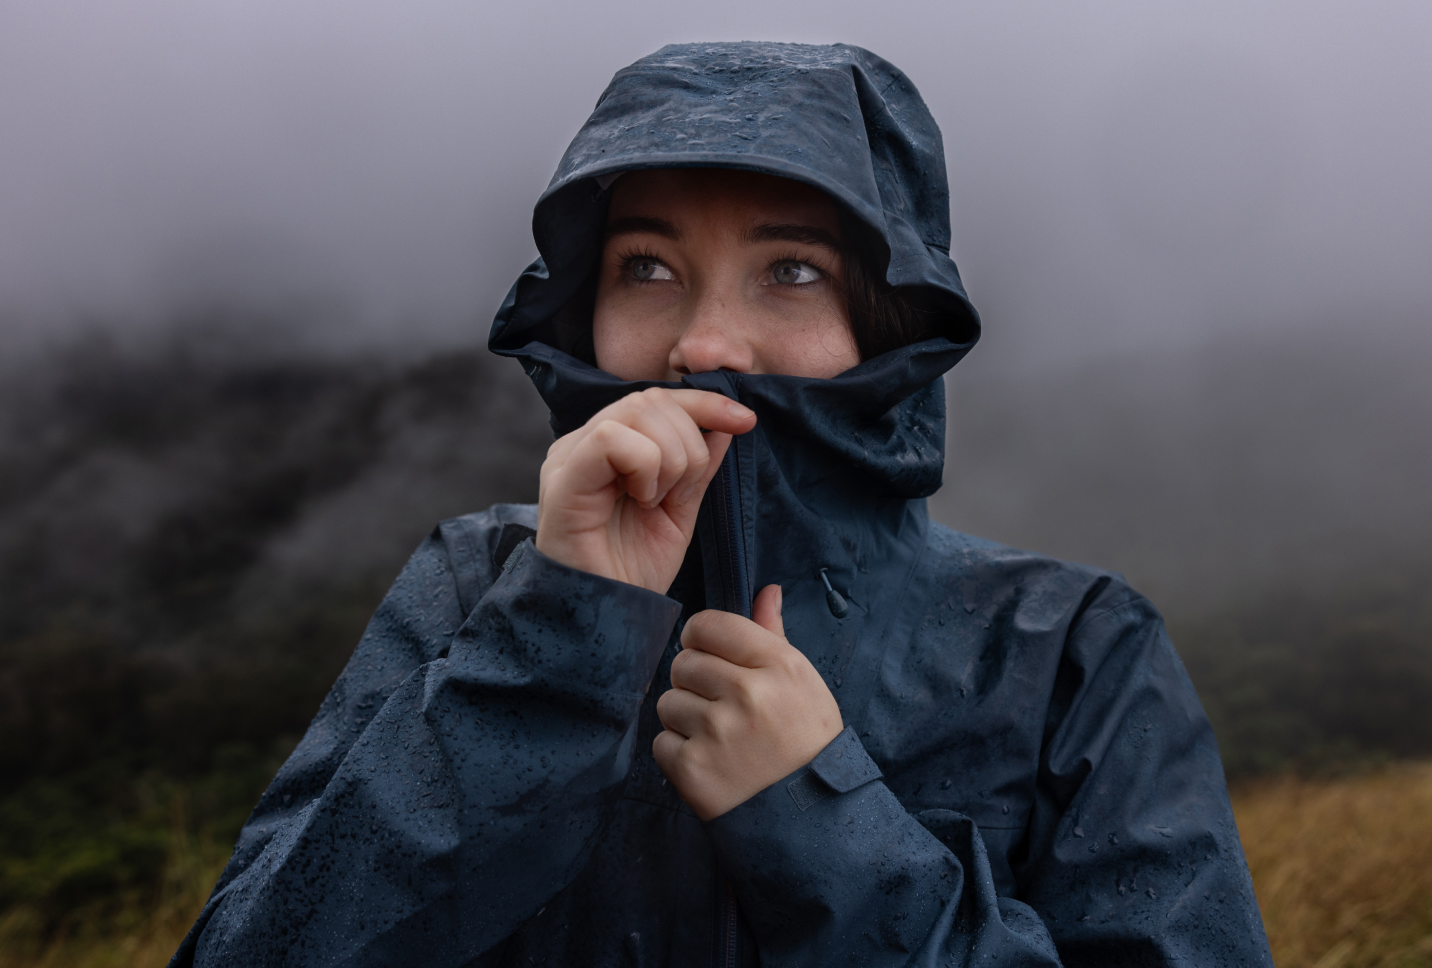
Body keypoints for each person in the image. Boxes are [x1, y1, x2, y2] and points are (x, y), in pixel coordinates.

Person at [172, 42, 1273, 968]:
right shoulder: (476, 591)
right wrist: (554, 639)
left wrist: (823, 818)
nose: (701, 344)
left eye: (790, 271)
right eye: (645, 268)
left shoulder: (1070, 648)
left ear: (885, 321)